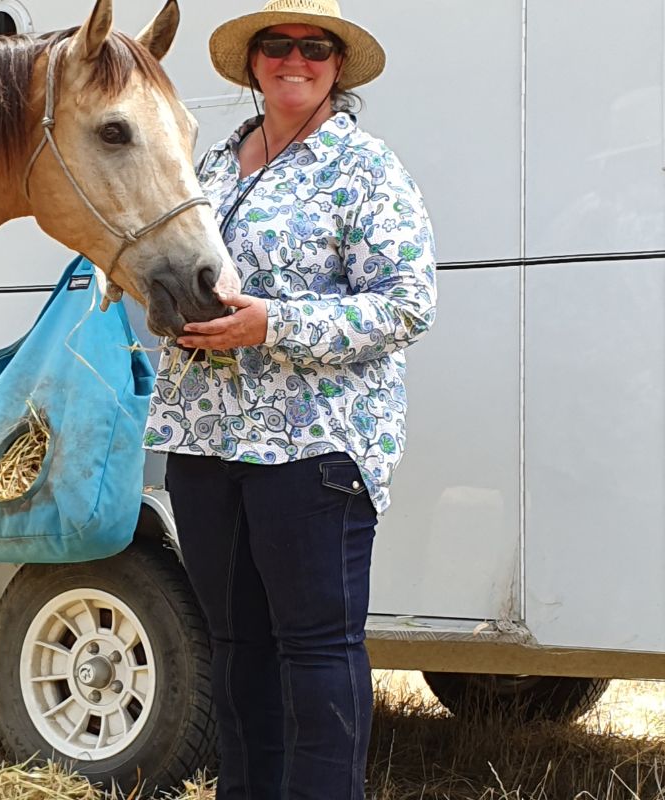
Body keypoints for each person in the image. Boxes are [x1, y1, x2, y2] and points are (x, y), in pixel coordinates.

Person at [144, 1, 437, 797]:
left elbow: (407, 303)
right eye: (277, 45)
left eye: (315, 46)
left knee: (314, 652)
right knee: (235, 648)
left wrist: (272, 325)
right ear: (253, 62)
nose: (294, 59)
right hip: (206, 440)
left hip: (314, 447)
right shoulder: (208, 167)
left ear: (338, 65)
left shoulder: (367, 169)